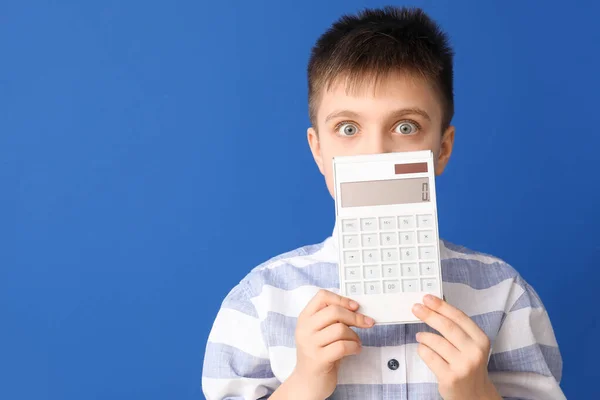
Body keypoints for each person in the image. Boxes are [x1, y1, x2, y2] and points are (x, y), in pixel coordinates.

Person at [201, 6, 564, 400]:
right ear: (318, 150)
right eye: (348, 128)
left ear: (442, 149)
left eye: (406, 127)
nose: (376, 154)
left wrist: (478, 394)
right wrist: (303, 385)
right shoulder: (261, 300)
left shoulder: (505, 295)